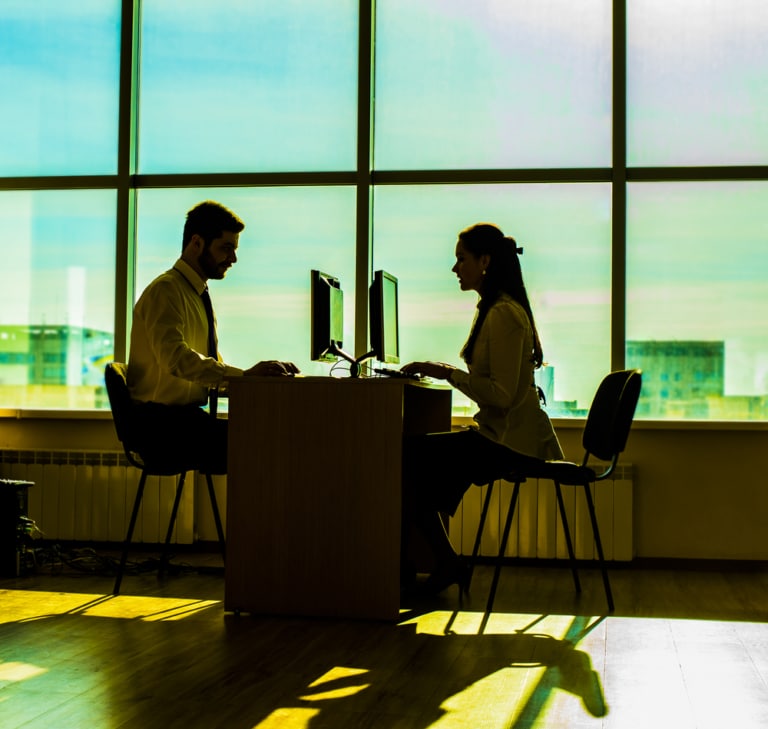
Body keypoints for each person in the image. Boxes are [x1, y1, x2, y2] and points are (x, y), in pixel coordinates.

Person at [399, 222, 563, 595]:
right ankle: (437, 563)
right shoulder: (496, 308)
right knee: (414, 462)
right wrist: (445, 373)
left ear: (485, 261)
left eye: (461, 259)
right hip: (502, 436)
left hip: (508, 443)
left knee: (407, 459)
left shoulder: (503, 313)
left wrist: (448, 373)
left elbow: (501, 394)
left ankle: (432, 565)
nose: (455, 268)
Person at [126, 200, 299, 474]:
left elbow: (206, 369)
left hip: (184, 421)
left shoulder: (195, 294)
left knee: (270, 434)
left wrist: (255, 383)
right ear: (197, 243)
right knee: (264, 443)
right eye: (226, 247)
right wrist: (242, 377)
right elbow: (176, 360)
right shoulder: (166, 291)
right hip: (160, 427)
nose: (233, 258)